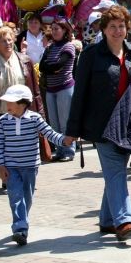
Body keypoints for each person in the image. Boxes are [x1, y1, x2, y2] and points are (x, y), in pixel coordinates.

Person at [66, 5, 131, 241]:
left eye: (121, 26)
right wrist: (72, 131)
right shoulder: (91, 55)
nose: (117, 31)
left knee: (116, 172)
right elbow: (80, 93)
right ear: (103, 29)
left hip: (129, 123)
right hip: (101, 125)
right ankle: (124, 221)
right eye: (112, 27)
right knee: (116, 172)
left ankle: (106, 220)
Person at [0, 84, 73, 246]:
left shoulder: (35, 118)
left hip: (30, 166)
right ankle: (20, 229)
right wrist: (1, 165)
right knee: (15, 196)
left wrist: (64, 140)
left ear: (23, 103)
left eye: (11, 102)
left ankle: (22, 221)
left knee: (26, 198)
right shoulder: (3, 121)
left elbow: (49, 133)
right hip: (11, 167)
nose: (7, 105)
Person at [0, 26, 44, 170]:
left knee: (24, 146)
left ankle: (27, 175)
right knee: (6, 147)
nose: (8, 43)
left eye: (10, 40)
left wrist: (41, 114)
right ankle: (8, 178)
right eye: (3, 41)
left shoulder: (25, 60)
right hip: (0, 113)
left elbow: (35, 91)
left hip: (24, 112)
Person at [39, 18, 77, 162]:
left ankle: (69, 150)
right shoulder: (50, 47)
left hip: (65, 88)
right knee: (53, 124)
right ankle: (60, 150)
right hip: (50, 88)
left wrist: (51, 67)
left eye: (57, 29)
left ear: (65, 31)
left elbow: (58, 65)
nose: (54, 31)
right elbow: (43, 67)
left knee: (65, 122)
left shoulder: (68, 47)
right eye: (52, 29)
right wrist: (51, 67)